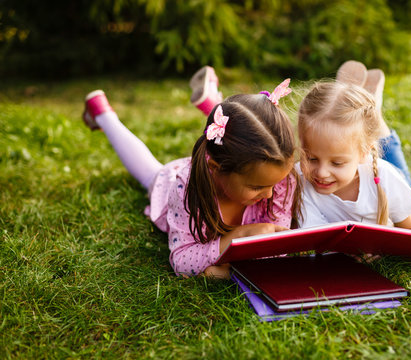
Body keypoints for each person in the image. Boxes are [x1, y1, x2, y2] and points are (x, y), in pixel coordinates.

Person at [81, 77, 301, 279]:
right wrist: (239, 236)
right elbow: (182, 260)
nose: (271, 193)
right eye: (256, 187)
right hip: (171, 180)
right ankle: (103, 114)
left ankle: (212, 103)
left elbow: (276, 253)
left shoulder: (280, 179)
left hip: (230, 160)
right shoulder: (185, 187)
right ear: (216, 167)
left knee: (240, 138)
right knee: (150, 173)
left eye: (274, 184)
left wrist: (228, 273)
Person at [297, 63, 411, 266]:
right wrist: (343, 252)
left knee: (383, 142)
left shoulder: (386, 178)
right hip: (362, 156)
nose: (321, 172)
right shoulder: (299, 182)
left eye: (337, 162)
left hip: (381, 173)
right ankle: (350, 102)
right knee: (344, 130)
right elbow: (315, 240)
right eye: (311, 158)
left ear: (364, 153)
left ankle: (373, 111)